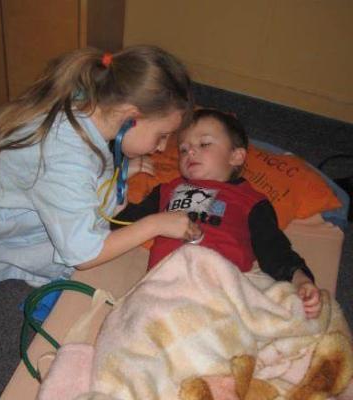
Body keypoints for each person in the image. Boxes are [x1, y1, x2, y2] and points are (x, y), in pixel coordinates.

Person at [0, 45, 202, 287]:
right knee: (73, 247)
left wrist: (123, 169)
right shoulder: (65, 158)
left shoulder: (90, 99)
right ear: (131, 117)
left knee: (88, 201)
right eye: (162, 135)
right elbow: (85, 256)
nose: (161, 147)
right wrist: (155, 224)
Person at [113, 108, 323, 319]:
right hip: (163, 285)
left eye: (204, 144)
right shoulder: (167, 189)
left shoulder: (251, 200)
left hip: (218, 289)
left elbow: (274, 249)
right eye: (183, 150)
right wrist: (118, 180)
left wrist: (300, 280)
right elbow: (122, 224)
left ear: (236, 156)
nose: (190, 152)